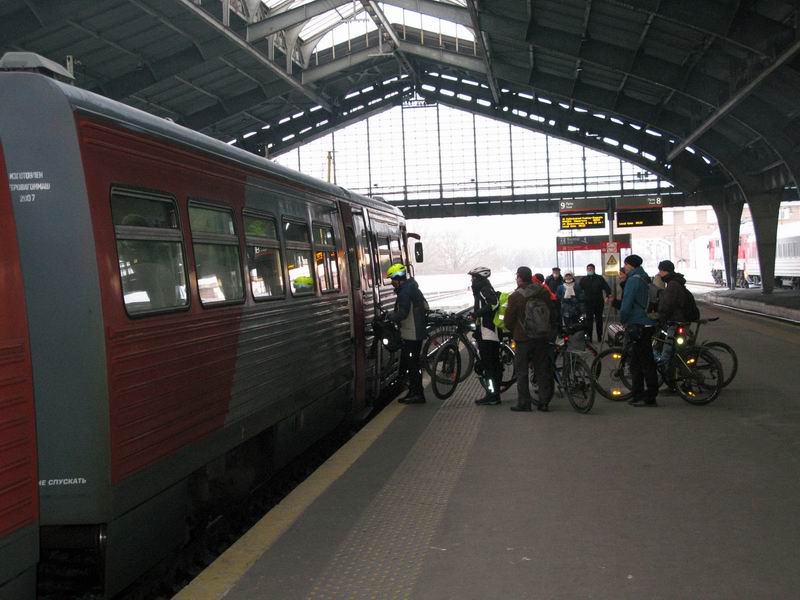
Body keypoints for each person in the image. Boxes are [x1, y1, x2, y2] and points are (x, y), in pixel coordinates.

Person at [505, 266, 556, 412]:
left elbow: (508, 320)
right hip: (542, 336)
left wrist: (514, 331)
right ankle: (544, 402)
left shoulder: (515, 296)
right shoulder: (543, 292)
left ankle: (524, 403)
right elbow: (552, 313)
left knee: (522, 371)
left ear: (520, 277)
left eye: (517, 276)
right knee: (542, 369)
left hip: (523, 339)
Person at [619, 255, 659, 407]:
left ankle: (648, 397)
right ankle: (638, 394)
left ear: (629, 265)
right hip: (646, 323)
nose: (625, 267)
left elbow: (627, 303)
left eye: (626, 264)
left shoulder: (633, 280)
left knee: (642, 362)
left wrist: (623, 319)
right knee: (639, 361)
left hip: (638, 324)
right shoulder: (644, 277)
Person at [385, 263, 428, 404]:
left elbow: (403, 313)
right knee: (412, 363)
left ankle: (417, 394)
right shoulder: (412, 288)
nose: (392, 283)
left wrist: (391, 317)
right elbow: (425, 306)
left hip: (412, 333)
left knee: (412, 365)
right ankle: (414, 391)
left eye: (392, 280)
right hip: (415, 331)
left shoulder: (404, 292)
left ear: (398, 278)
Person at [468, 266, 502, 406]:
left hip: (488, 332)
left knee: (489, 367)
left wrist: (477, 314)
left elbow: (494, 303)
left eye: (473, 277)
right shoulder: (483, 288)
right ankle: (494, 394)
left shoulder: (484, 288)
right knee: (491, 365)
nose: (471, 280)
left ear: (478, 278)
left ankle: (492, 395)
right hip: (486, 331)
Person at [655, 259, 688, 367]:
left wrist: (660, 317)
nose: (659, 274)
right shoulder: (675, 282)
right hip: (680, 318)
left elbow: (667, 305)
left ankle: (665, 368)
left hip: (675, 319)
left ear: (666, 271)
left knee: (667, 347)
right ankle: (677, 367)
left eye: (661, 271)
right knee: (676, 347)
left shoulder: (672, 284)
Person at [578, 263, 611, 342]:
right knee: (589, 320)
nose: (590, 270)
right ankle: (589, 337)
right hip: (588, 303)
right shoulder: (583, 279)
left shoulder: (599, 278)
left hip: (598, 302)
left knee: (599, 320)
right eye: (588, 269)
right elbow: (578, 290)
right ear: (586, 270)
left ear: (594, 269)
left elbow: (607, 288)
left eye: (591, 269)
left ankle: (599, 336)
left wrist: (607, 296)